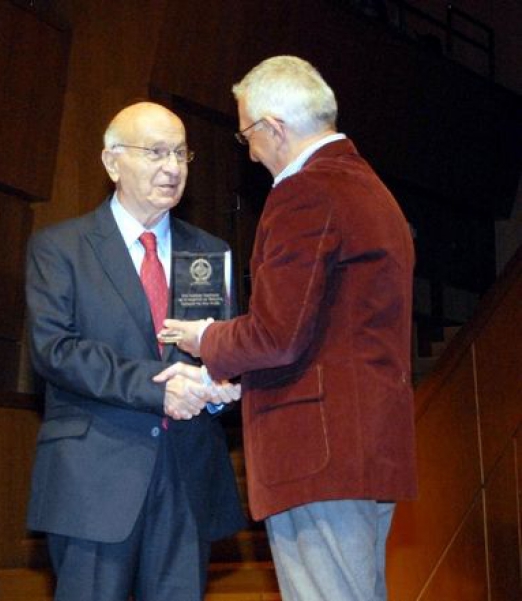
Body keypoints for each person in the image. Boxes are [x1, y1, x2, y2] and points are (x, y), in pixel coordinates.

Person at [156, 56, 418, 601]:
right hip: (366, 451)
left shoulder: (305, 191)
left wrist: (207, 339)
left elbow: (278, 335)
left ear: (274, 128)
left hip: (318, 455)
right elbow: (326, 335)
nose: (248, 150)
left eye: (247, 133)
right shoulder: (371, 190)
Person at [25, 101, 245, 601]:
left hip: (187, 477)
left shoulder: (209, 254)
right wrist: (159, 390)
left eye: (182, 154)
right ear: (111, 162)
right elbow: (55, 350)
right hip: (94, 477)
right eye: (156, 153)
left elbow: (225, 348)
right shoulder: (61, 248)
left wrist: (216, 386)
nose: (173, 168)